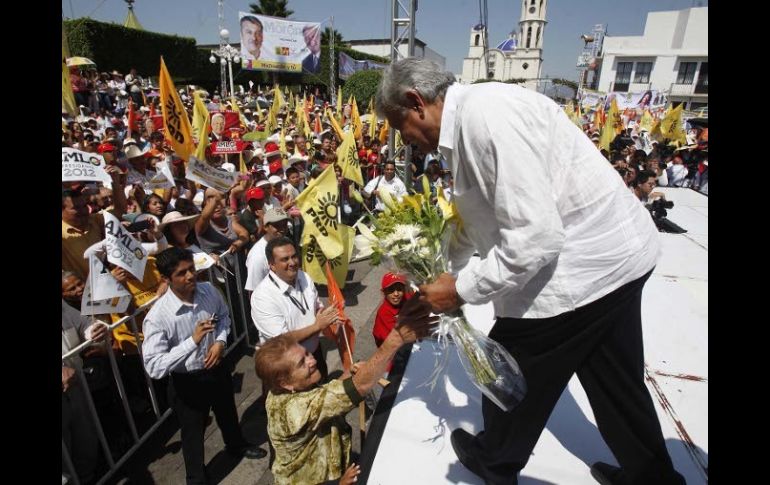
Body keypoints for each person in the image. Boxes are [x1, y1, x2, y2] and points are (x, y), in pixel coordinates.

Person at [376, 58, 685, 485]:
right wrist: (442, 268)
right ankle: (654, 479)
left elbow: (536, 237)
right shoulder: (473, 119)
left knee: (509, 367)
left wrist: (462, 289)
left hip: (583, 270)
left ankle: (494, 461)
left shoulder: (485, 118)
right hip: (616, 260)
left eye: (400, 126)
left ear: (416, 102)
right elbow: (478, 214)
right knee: (617, 383)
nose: (405, 141)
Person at [254, 309, 435, 484]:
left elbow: (326, 395)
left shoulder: (290, 388)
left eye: (307, 353)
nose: (313, 360)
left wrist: (349, 373)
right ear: (285, 383)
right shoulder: (293, 409)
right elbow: (357, 388)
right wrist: (396, 338)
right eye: (302, 363)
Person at [142, 247, 266, 485]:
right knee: (193, 434)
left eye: (191, 269)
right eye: (181, 273)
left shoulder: (208, 291)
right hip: (187, 382)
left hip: (217, 369)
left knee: (228, 411)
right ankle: (196, 477)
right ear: (166, 280)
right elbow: (154, 366)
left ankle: (236, 445)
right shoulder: (158, 317)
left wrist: (219, 342)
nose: (190, 276)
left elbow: (223, 316)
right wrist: (192, 341)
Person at [250, 237, 339, 380]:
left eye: (294, 256)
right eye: (285, 259)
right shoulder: (262, 297)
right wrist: (317, 326)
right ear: (272, 265)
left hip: (314, 354)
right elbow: (281, 340)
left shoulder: (304, 276)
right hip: (288, 366)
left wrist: (330, 314)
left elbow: (316, 306)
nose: (292, 263)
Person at [244, 208, 290, 294]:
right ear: (265, 227)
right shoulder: (257, 256)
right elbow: (254, 292)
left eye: (284, 224)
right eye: (277, 225)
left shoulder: (285, 241)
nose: (283, 229)